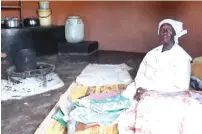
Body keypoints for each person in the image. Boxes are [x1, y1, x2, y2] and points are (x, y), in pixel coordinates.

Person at [118, 19, 193, 134]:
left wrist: (149, 90)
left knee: (149, 113)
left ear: (174, 34)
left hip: (167, 94)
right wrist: (140, 87)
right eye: (162, 30)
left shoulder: (182, 57)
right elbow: (141, 73)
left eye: (168, 30)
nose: (165, 32)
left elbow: (181, 86)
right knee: (126, 97)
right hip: (143, 89)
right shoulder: (151, 53)